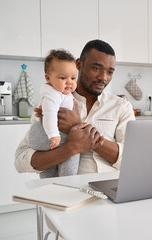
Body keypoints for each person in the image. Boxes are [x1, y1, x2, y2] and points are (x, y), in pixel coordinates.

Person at [15, 39, 136, 176]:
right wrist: (70, 148)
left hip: (105, 188)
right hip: (62, 190)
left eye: (110, 72)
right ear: (79, 64)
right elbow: (21, 160)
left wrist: (78, 128)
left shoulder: (121, 107)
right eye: (96, 68)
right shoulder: (53, 102)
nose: (103, 78)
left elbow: (132, 160)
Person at [28, 49, 79, 178]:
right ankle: (67, 180)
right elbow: (49, 115)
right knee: (76, 145)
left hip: (47, 135)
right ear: (48, 78)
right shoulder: (52, 94)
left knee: (49, 166)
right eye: (63, 78)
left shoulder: (61, 92)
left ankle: (48, 186)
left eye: (73, 78)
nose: (69, 82)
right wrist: (53, 135)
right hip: (44, 133)